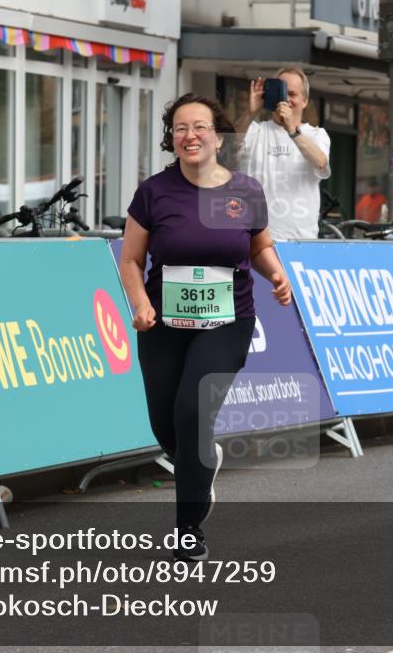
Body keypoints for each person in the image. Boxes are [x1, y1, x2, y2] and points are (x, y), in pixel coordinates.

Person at [119, 93, 292, 561]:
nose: (189, 135)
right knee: (166, 424)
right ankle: (202, 466)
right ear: (171, 138)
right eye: (180, 128)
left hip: (227, 321)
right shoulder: (154, 192)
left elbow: (259, 247)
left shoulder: (244, 191)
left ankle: (188, 527)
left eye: (199, 127)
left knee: (193, 411)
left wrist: (276, 274)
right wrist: (141, 305)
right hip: (163, 322)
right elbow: (132, 259)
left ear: (218, 136)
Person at [235, 68, 331, 239]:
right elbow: (227, 149)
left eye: (292, 94)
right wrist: (250, 112)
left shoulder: (317, 134)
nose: (285, 99)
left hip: (300, 240)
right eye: (281, 92)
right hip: (254, 239)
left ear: (304, 101)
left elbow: (321, 163)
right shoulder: (255, 131)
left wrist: (292, 129)